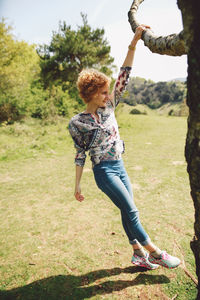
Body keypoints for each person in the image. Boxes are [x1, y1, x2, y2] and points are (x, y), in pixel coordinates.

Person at [68, 25, 181, 270]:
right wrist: (77, 184)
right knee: (131, 210)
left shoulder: (110, 107)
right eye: (103, 93)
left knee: (126, 210)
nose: (108, 96)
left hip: (120, 165)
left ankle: (138, 253)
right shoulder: (77, 122)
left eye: (109, 92)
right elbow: (80, 154)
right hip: (103, 172)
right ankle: (156, 253)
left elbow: (124, 73)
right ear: (91, 94)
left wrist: (134, 42)